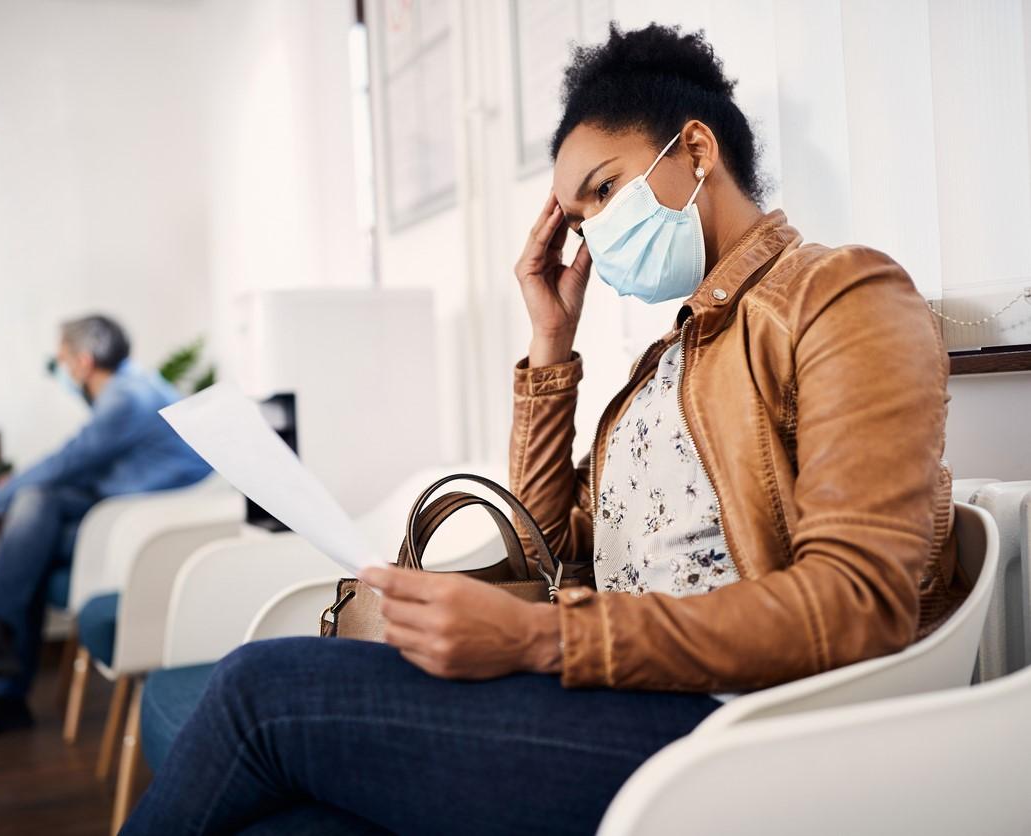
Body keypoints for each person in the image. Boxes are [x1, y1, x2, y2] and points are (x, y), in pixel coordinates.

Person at [123, 23, 959, 835]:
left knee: (257, 691)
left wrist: (541, 637)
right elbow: (548, 545)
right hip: (629, 698)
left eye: (602, 189)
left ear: (695, 152)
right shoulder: (672, 356)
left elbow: (860, 602)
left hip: (733, 734)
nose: (592, 230)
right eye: (574, 215)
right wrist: (550, 344)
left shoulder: (842, 292)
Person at [0, 314, 212, 741]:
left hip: (148, 526)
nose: (62, 368)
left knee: (29, 539)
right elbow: (88, 466)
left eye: (62, 359)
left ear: (83, 361)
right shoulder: (135, 386)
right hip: (127, 509)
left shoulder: (126, 396)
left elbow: (74, 457)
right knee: (33, 511)